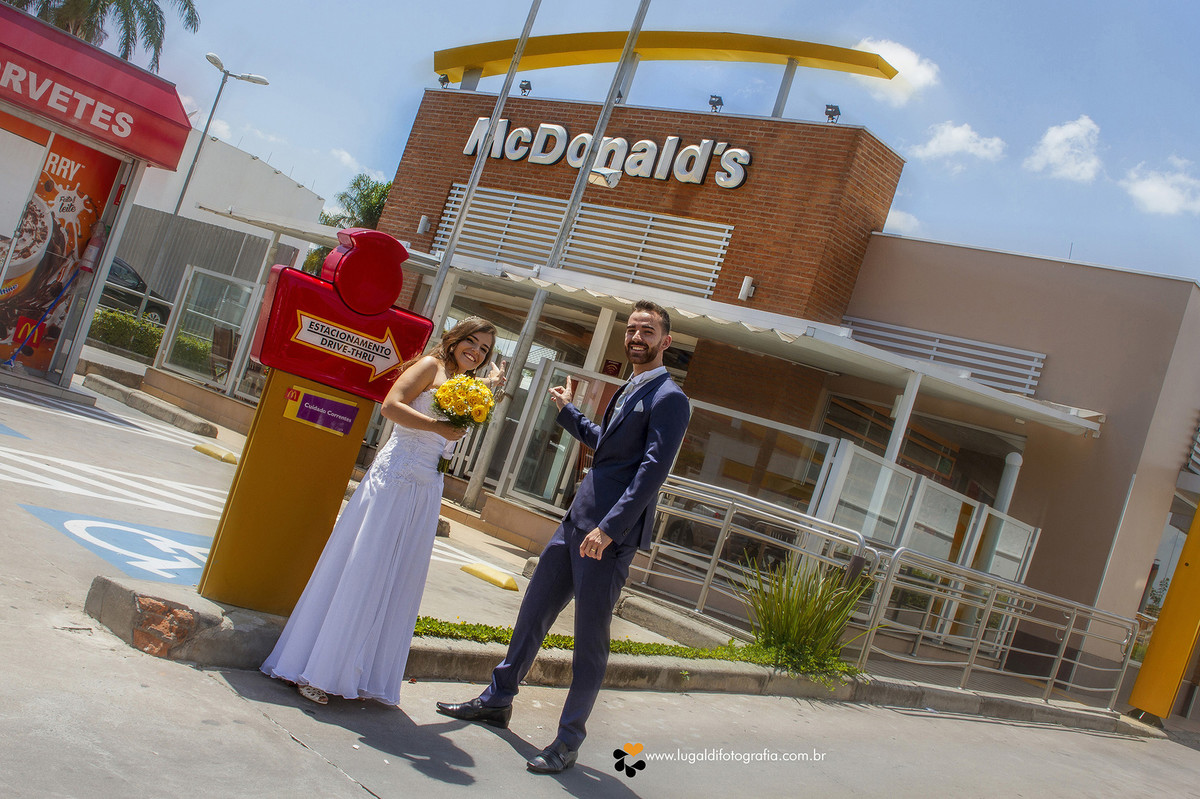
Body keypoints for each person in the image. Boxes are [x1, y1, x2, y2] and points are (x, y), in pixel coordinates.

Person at [436, 300, 690, 774]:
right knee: (532, 613)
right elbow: (613, 450)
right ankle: (498, 698)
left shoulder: (670, 398)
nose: (637, 338)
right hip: (574, 522)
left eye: (648, 332)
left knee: (588, 642)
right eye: (632, 330)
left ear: (666, 341)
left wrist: (609, 529)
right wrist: (569, 413)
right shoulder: (629, 386)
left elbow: (651, 472)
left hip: (605, 536)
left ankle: (569, 740)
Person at [262, 316, 506, 706]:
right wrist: (436, 427)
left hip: (429, 484)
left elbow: (457, 412)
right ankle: (315, 668)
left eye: (484, 349)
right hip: (396, 475)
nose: (476, 352)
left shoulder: (468, 384)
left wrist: (489, 387)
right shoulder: (430, 366)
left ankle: (357, 670)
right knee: (366, 564)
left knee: (397, 576)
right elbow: (390, 406)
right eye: (472, 342)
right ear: (456, 338)